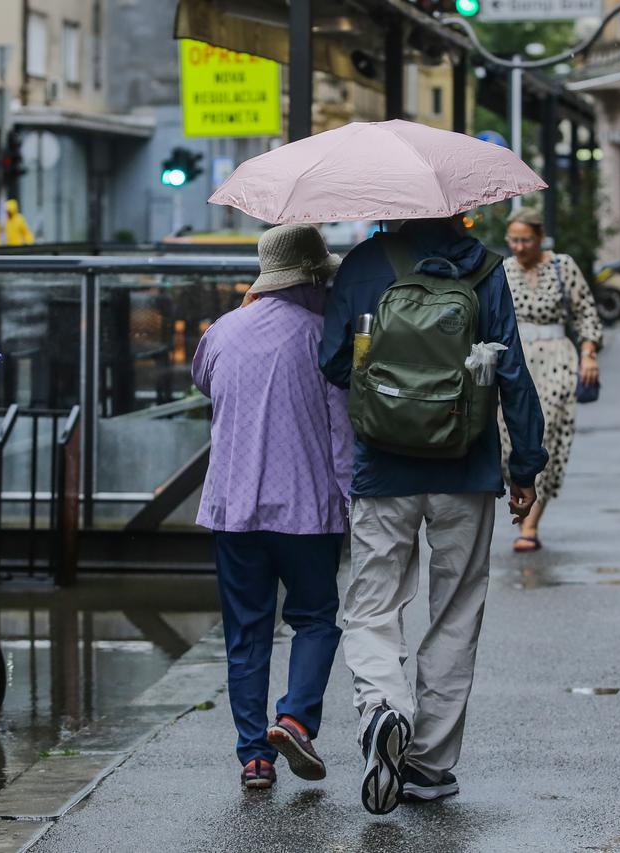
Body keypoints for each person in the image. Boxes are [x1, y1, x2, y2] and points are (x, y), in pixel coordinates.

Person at [320, 216, 547, 814]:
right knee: (455, 612)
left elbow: (332, 361)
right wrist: (526, 466)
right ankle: (428, 765)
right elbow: (512, 373)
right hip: (464, 469)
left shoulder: (363, 264)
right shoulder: (486, 269)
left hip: (382, 469)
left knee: (372, 605)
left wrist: (386, 382)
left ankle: (382, 708)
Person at [192, 224, 351, 790]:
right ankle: (295, 719)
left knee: (246, 632)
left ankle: (254, 758)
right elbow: (342, 435)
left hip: (233, 507)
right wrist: (355, 503)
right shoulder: (323, 338)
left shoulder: (221, 332)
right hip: (306, 508)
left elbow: (205, 384)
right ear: (312, 280)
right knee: (315, 619)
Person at [499, 208, 604, 552]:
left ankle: (529, 526)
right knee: (509, 441)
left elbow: (586, 313)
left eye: (526, 240)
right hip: (515, 362)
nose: (519, 247)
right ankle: (523, 508)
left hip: (557, 359)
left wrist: (588, 353)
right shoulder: (503, 270)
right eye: (513, 240)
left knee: (548, 437)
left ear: (540, 238)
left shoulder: (562, 266)